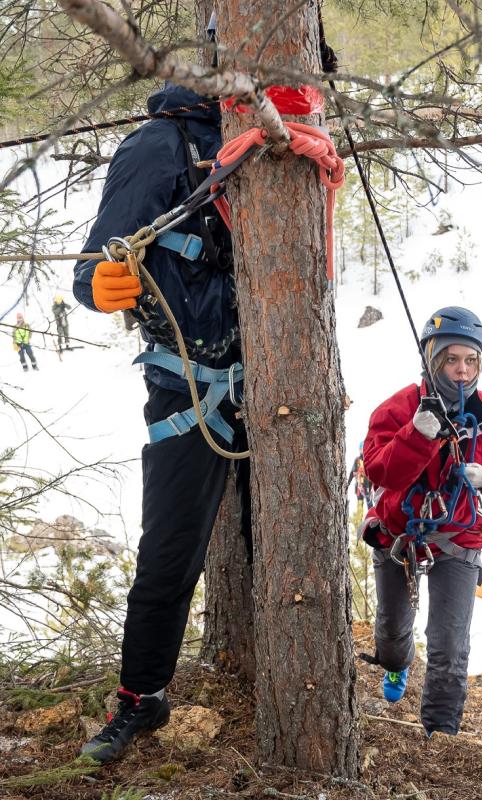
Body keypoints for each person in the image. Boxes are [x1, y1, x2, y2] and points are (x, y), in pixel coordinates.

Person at [72, 81, 246, 764]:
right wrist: (98, 284)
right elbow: (98, 257)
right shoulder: (160, 144)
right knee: (171, 554)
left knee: (279, 547)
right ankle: (139, 695)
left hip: (273, 384)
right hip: (190, 385)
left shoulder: (273, 143)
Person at [359, 306, 482, 735]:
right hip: (398, 534)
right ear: (432, 359)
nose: (462, 371)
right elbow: (380, 471)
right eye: (451, 359)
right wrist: (417, 435)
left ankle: (440, 730)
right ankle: (395, 664)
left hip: (459, 536)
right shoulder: (400, 409)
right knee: (391, 634)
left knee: (449, 645)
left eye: (470, 360)